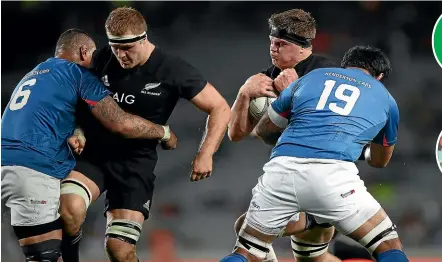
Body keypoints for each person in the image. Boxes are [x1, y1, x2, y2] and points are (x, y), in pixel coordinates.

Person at [59, 7, 231, 262]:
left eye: (127, 48)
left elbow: (219, 107)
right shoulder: (104, 58)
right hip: (93, 155)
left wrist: (206, 153)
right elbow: (75, 96)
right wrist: (78, 129)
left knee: (119, 250)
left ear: (143, 39)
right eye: (115, 47)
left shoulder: (171, 69)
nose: (120, 55)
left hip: (134, 164)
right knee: (68, 209)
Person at [1, 28, 178, 262]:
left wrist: (76, 131)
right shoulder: (78, 74)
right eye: (93, 56)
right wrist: (163, 132)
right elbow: (120, 123)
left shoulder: (35, 74)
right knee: (45, 258)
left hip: (7, 163)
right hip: (32, 169)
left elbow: (47, 116)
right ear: (84, 51)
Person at [220, 45, 407, 262]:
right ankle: (318, 223)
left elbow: (263, 129)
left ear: (345, 66)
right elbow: (379, 161)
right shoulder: (386, 99)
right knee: (387, 245)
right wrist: (360, 150)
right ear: (380, 76)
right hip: (334, 178)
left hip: (282, 169)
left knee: (245, 251)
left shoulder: (313, 77)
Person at [228, 9, 342, 262]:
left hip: (324, 175)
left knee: (248, 233)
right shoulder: (265, 77)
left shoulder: (328, 73)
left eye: (281, 44)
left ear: (302, 47)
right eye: (271, 41)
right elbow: (236, 134)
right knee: (313, 258)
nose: (273, 48)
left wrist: (292, 93)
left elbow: (332, 127)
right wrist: (244, 94)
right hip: (291, 177)